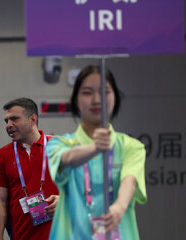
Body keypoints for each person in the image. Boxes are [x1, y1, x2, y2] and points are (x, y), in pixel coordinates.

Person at [46, 65, 147, 240]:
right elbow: (67, 158)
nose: (96, 99)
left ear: (115, 97)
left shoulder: (132, 146)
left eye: (105, 91)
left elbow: (129, 181)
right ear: (76, 100)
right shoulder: (58, 143)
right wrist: (95, 148)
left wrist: (119, 207)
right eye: (87, 92)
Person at [0, 98, 59, 240]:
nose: (8, 125)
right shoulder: (2, 156)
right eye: (6, 121)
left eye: (14, 119)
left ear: (32, 119)